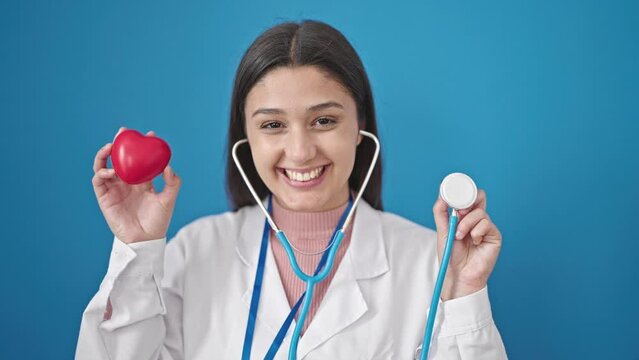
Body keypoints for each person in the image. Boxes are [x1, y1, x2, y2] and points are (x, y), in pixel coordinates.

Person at [76, 20, 507, 359]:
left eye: (324, 120)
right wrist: (137, 249)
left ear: (360, 128)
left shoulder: (428, 264)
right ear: (245, 138)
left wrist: (465, 295)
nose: (300, 152)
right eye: (272, 125)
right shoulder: (194, 252)